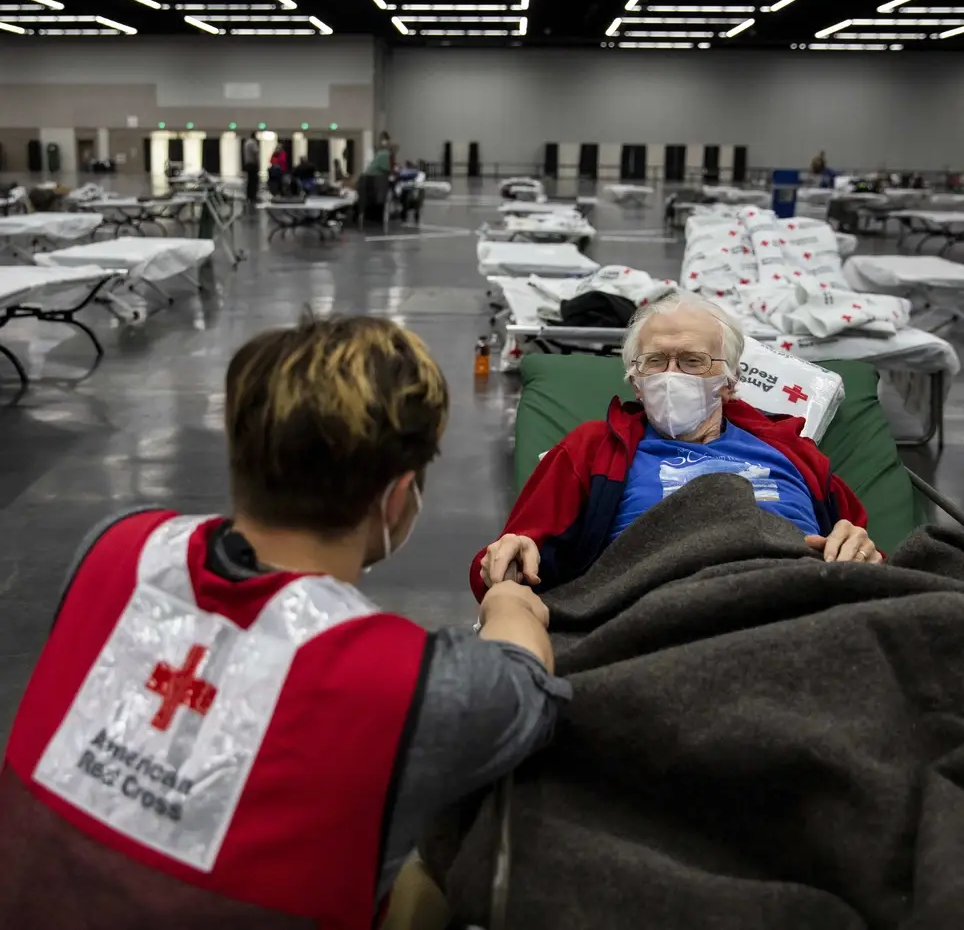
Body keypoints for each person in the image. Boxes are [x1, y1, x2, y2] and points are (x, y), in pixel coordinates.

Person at [0, 315, 570, 926]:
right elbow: (528, 685)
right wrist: (507, 598)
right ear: (396, 498)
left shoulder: (117, 546)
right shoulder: (409, 681)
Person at [471, 294, 880, 601]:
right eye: (655, 362)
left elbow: (866, 550)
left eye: (692, 361)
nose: (671, 376)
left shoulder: (793, 451)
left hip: (796, 598)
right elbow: (500, 565)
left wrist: (859, 545)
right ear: (635, 380)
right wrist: (510, 557)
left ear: (731, 381)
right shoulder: (591, 450)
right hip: (657, 610)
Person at [242, 131, 260, 206]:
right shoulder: (253, 143)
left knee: (249, 181)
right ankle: (253, 196)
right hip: (253, 164)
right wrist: (258, 163)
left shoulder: (246, 142)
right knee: (254, 181)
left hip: (247, 164)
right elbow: (256, 153)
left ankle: (249, 196)